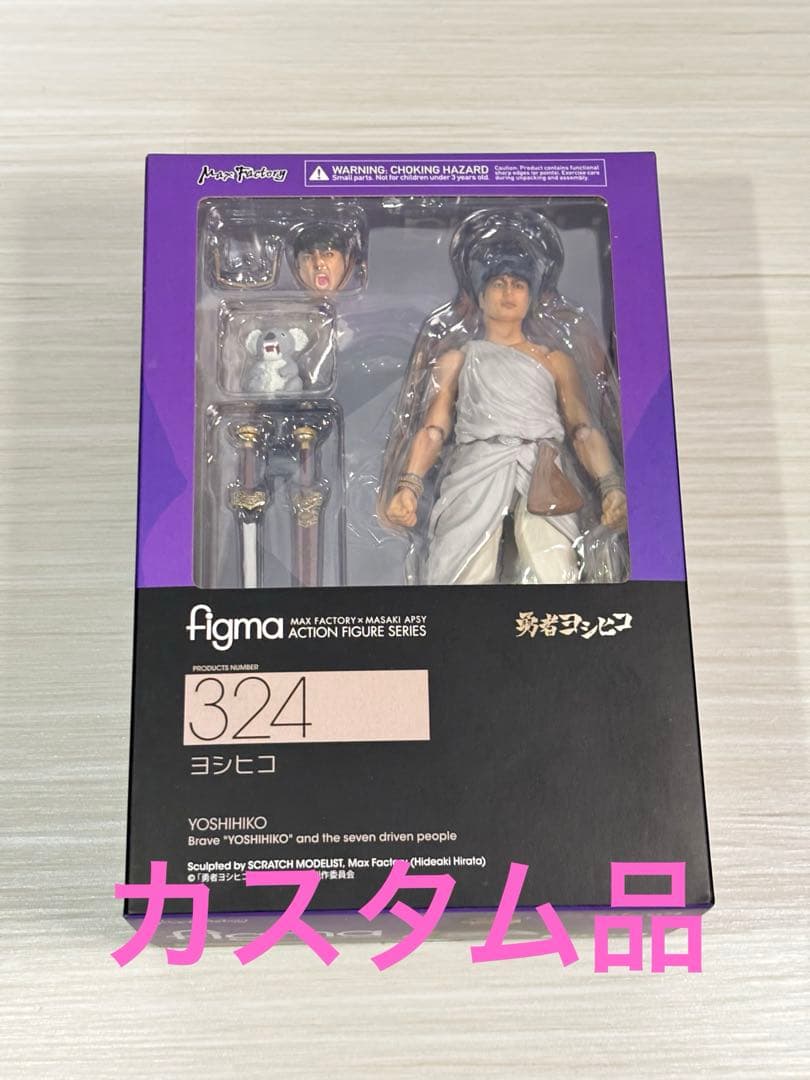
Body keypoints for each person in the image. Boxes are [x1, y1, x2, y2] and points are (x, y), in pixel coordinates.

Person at [384, 240, 627, 585]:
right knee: (458, 571)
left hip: (542, 467)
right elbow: (433, 429)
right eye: (498, 283)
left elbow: (583, 428)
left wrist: (610, 485)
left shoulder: (554, 360)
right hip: (477, 464)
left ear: (530, 297)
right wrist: (408, 486)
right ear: (481, 297)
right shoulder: (458, 358)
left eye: (518, 284)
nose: (508, 292)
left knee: (555, 571)